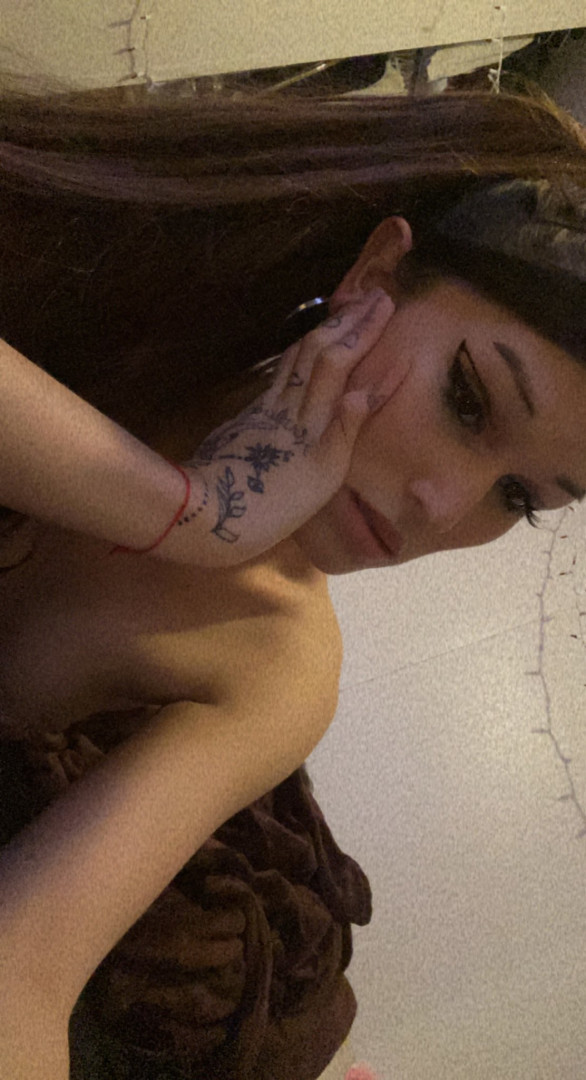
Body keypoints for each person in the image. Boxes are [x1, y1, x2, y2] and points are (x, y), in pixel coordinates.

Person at [0, 81, 585, 1079]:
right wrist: (185, 510)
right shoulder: (136, 314)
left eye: (520, 497)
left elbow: (28, 965)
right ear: (373, 277)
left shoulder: (283, 665)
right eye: (466, 398)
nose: (444, 508)